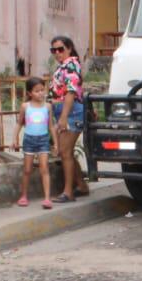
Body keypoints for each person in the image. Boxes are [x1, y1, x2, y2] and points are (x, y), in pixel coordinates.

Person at [49, 35, 89, 201]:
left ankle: (68, 192)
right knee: (68, 153)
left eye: (60, 49)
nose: (57, 53)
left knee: (65, 152)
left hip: (71, 113)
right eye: (54, 50)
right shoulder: (64, 66)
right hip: (64, 111)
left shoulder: (71, 65)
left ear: (69, 48)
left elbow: (71, 92)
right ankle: (80, 185)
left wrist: (63, 117)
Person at [18, 75, 53, 209]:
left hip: (43, 139)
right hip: (29, 140)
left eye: (42, 90)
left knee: (44, 168)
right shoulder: (25, 106)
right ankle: (23, 196)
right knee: (27, 169)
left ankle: (47, 199)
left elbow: (51, 126)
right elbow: (19, 124)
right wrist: (14, 139)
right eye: (37, 91)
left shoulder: (48, 107)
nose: (40, 93)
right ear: (29, 93)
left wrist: (55, 142)